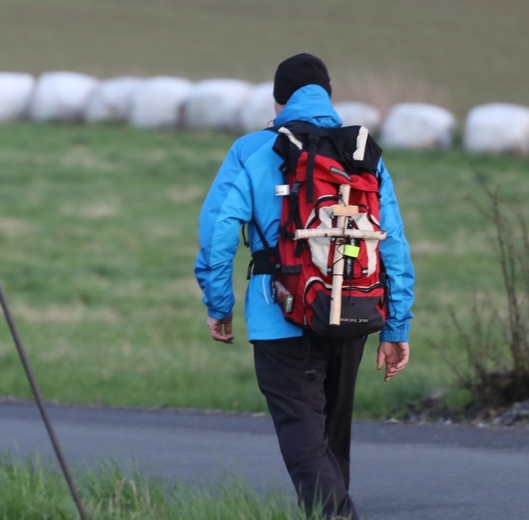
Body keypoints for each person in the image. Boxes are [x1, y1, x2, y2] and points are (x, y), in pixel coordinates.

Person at [194, 53, 415, 519]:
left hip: (280, 314)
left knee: (303, 439)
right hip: (352, 309)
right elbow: (391, 243)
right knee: (330, 440)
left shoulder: (252, 150)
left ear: (278, 101)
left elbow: (217, 232)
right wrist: (396, 327)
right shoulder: (361, 154)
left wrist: (219, 303)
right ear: (328, 97)